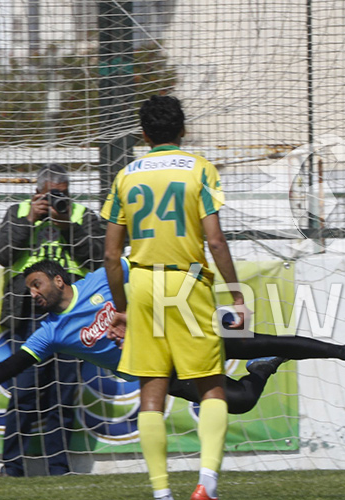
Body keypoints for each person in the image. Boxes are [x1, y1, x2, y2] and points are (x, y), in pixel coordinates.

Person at [0, 259, 345, 419]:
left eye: (36, 285)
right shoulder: (49, 334)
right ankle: (262, 374)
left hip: (180, 335)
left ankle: (340, 351)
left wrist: (194, 287)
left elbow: (153, 267)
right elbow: (9, 367)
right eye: (29, 290)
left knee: (261, 340)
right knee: (240, 401)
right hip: (155, 371)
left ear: (58, 279)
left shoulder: (99, 279)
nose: (33, 294)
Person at [101, 95, 241, 500]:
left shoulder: (126, 175)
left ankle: (162, 493)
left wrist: (122, 307)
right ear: (183, 130)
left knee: (152, 393)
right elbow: (214, 240)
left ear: (143, 135)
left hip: (143, 283)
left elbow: (111, 254)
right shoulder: (200, 169)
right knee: (211, 387)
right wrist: (236, 295)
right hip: (187, 282)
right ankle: (207, 485)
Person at [0, 164, 106, 477]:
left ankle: (59, 468)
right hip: (27, 313)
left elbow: (98, 257)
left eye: (62, 195)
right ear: (36, 192)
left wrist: (68, 226)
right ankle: (11, 466)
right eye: (50, 195)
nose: (57, 200)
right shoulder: (19, 211)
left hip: (72, 314)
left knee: (63, 395)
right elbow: (1, 253)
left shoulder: (81, 215)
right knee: (23, 392)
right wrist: (29, 220)